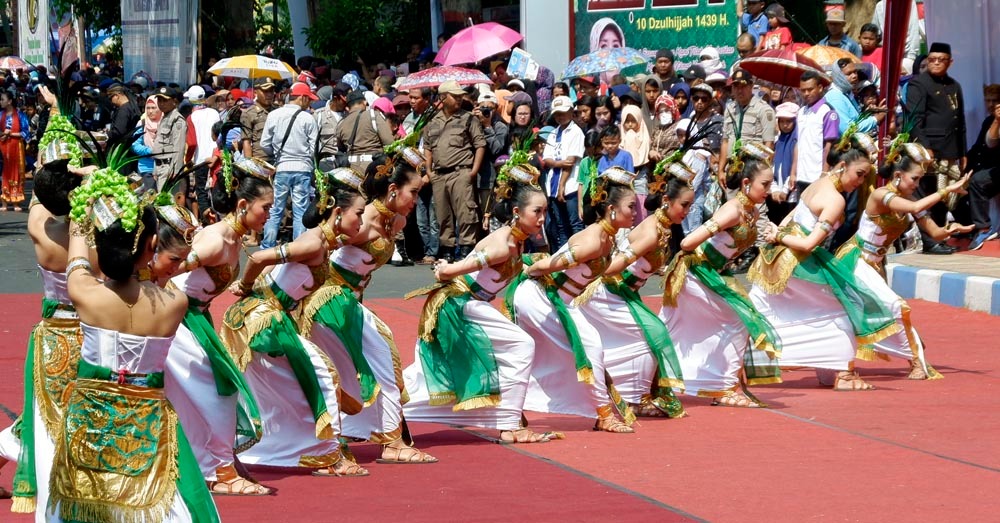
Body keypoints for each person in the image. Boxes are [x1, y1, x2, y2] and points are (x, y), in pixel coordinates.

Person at [50, 168, 219, 522]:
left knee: (88, 501)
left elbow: (79, 250)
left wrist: (87, 199)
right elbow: (157, 279)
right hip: (146, 420)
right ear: (152, 247)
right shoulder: (173, 304)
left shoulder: (83, 292)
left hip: (90, 417)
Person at [220, 167, 369, 477]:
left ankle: (291, 449)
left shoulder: (323, 242)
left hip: (272, 317)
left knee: (294, 386)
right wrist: (247, 288)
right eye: (359, 213)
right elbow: (260, 259)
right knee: (323, 373)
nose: (362, 220)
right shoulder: (312, 244)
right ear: (338, 213)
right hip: (263, 319)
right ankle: (329, 455)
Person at [403, 162, 560, 443]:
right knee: (521, 345)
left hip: (473, 305)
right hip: (459, 304)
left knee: (432, 372)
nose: (542, 218)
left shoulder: (518, 242)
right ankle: (510, 423)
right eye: (537, 211)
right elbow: (452, 270)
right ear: (516, 212)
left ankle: (382, 410)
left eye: (545, 211)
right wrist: (443, 268)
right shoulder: (502, 244)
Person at [301, 156, 437, 464]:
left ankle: (360, 434)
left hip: (349, 304)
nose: (417, 199)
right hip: (328, 302)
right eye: (413, 192)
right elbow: (314, 239)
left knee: (350, 370)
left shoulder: (397, 220)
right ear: (392, 189)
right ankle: (390, 442)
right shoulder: (363, 220)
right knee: (383, 360)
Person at [748, 133, 899, 391]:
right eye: (859, 174)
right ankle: (841, 373)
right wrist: (780, 237)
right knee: (845, 308)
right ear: (842, 166)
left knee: (771, 307)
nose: (861, 181)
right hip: (798, 259)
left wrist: (777, 237)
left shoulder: (817, 184)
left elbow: (790, 220)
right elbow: (808, 244)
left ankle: (827, 369)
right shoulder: (836, 200)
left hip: (781, 257)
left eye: (866, 176)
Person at [165, 158, 274, 496]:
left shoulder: (235, 237)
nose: (270, 214)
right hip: (177, 320)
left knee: (206, 394)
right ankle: (219, 469)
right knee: (215, 392)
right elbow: (164, 272)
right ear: (243, 205)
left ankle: (211, 465)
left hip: (195, 319)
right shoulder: (214, 241)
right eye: (265, 207)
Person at [508, 167, 639, 432]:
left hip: (561, 300)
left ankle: (511, 409)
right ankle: (604, 415)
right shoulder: (593, 240)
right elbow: (549, 265)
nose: (636, 212)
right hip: (541, 298)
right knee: (589, 347)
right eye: (631, 207)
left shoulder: (607, 238)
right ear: (612, 209)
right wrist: (530, 269)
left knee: (549, 353)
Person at [835, 138, 969, 379]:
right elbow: (916, 205)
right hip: (856, 261)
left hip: (876, 265)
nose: (917, 183)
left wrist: (950, 230)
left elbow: (935, 232)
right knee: (888, 307)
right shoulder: (881, 195)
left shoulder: (909, 203)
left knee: (880, 312)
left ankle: (848, 366)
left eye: (919, 179)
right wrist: (946, 189)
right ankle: (915, 361)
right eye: (914, 179)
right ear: (897, 175)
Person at [660, 147, 781, 407]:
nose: (769, 189)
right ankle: (724, 387)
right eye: (765, 184)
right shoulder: (732, 210)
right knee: (738, 320)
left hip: (715, 272)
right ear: (747, 183)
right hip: (697, 270)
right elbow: (688, 243)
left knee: (676, 325)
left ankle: (718, 384)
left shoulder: (753, 212)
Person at [5, 145, 85, 512]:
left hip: (52, 332)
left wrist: (49, 166)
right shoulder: (93, 238)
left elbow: (40, 196)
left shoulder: (38, 228)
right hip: (90, 332)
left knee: (45, 409)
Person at [580, 169, 693, 417]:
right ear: (667, 201)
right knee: (654, 335)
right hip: (607, 291)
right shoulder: (652, 232)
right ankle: (633, 398)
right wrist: (588, 271)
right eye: (684, 205)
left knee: (647, 337)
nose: (687, 211)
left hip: (623, 292)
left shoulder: (662, 228)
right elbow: (618, 266)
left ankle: (628, 392)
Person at [906, 42, 967, 255]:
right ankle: (929, 241)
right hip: (929, 152)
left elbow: (960, 121)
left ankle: (938, 237)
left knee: (943, 197)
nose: (936, 63)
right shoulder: (918, 84)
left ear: (950, 62)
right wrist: (925, 148)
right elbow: (914, 120)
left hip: (950, 150)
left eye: (941, 60)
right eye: (932, 59)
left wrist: (962, 151)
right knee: (927, 197)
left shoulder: (954, 85)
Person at [423, 80, 486, 261]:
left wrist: (472, 171)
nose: (459, 99)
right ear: (443, 97)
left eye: (460, 96)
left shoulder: (468, 119)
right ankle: (447, 251)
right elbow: (428, 146)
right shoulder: (432, 121)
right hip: (439, 174)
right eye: (454, 95)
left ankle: (466, 250)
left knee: (466, 213)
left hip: (461, 171)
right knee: (442, 215)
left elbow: (480, 145)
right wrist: (429, 170)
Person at [260, 82, 319, 248]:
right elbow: (314, 147)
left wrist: (277, 153)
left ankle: (267, 244)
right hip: (303, 168)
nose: (310, 103)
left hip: (281, 167)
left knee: (275, 208)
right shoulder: (308, 118)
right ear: (302, 97)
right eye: (309, 99)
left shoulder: (274, 115)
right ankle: (298, 246)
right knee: (300, 209)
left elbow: (265, 143)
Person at [539, 96, 585, 250]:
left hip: (570, 184)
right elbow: (547, 159)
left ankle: (579, 254)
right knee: (560, 226)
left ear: (572, 112)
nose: (560, 116)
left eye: (563, 113)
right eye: (557, 114)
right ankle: (564, 257)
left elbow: (570, 162)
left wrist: (562, 185)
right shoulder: (553, 133)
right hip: (552, 184)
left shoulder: (576, 132)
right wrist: (559, 163)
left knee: (575, 223)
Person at [719, 69, 776, 177]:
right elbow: (725, 141)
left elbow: (769, 144)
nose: (739, 90)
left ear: (751, 86)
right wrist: (721, 170)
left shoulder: (764, 110)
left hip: (753, 168)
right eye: (736, 86)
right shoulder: (730, 109)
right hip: (732, 168)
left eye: (743, 86)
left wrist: (761, 173)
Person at [405, 86, 439, 265]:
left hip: (431, 172)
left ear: (426, 99)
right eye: (410, 97)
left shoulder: (435, 118)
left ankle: (433, 252)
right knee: (420, 217)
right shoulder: (411, 118)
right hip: (415, 172)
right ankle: (426, 250)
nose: (411, 101)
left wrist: (429, 174)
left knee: (433, 216)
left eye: (415, 98)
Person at [795, 71, 840, 195]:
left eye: (810, 89)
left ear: (820, 88)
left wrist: (824, 173)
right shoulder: (802, 111)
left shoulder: (827, 112)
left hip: (816, 175)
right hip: (802, 175)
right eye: (803, 90)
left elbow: (829, 146)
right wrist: (793, 173)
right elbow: (798, 143)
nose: (806, 94)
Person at [967, 86, 1000, 248]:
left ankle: (983, 229)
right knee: (969, 181)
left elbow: (991, 144)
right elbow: (987, 143)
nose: (992, 104)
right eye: (988, 100)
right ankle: (976, 228)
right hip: (993, 169)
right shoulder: (989, 120)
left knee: (977, 181)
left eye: (995, 101)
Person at [184, 85, 222, 217]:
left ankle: (207, 220)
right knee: (216, 189)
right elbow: (220, 135)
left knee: (201, 193)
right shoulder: (215, 113)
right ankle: (216, 216)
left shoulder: (191, 117)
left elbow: (192, 143)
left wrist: (187, 160)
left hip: (201, 161)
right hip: (216, 157)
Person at [474, 90, 509, 229]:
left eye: (490, 108)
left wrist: (487, 127)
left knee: (487, 217)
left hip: (489, 180)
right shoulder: (473, 124)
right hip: (473, 178)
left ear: (496, 108)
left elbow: (497, 150)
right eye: (483, 108)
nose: (486, 111)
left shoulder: (500, 126)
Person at [825, 59, 886, 135]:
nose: (854, 76)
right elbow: (848, 130)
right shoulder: (835, 97)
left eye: (855, 72)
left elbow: (857, 119)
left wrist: (870, 112)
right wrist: (875, 119)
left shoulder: (847, 93)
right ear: (839, 77)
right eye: (849, 74)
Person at [151, 86, 188, 191]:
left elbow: (179, 148)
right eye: (159, 100)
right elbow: (159, 145)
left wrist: (175, 172)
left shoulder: (177, 120)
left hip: (168, 168)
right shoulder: (165, 117)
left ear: (174, 101)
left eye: (165, 100)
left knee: (166, 203)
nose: (161, 103)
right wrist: (155, 169)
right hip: (160, 166)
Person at [619, 105, 651, 222]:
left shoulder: (644, 137)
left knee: (640, 205)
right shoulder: (620, 138)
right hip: (623, 178)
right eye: (627, 121)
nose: (630, 124)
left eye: (633, 121)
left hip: (641, 175)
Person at [770, 102, 799, 224]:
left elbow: (796, 166)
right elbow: (771, 166)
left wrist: (785, 190)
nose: (785, 125)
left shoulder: (797, 141)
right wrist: (774, 189)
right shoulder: (777, 141)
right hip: (776, 193)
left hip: (791, 194)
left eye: (789, 121)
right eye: (782, 121)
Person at [0, 91, 29, 211]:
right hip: (2, 147)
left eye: (2, 99)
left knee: (16, 171)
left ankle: (16, 201)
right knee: (4, 172)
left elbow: (26, 132)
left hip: (16, 147)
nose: (0, 102)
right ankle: (4, 202)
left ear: (10, 101)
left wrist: (10, 134)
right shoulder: (0, 115)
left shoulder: (21, 115)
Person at [132, 97, 163, 192]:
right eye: (148, 108)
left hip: (163, 169)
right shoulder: (142, 123)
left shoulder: (166, 123)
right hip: (146, 169)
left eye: (154, 108)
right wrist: (151, 152)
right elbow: (135, 145)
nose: (150, 111)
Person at [240, 79, 276, 160]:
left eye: (271, 91)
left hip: (278, 160)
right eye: (265, 91)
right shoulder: (248, 113)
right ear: (255, 93)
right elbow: (247, 142)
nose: (269, 94)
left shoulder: (278, 111)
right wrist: (250, 165)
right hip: (261, 162)